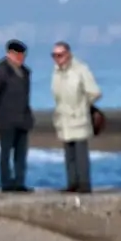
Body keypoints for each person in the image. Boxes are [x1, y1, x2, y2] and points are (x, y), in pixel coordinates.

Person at [50, 41, 102, 193]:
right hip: (63, 118)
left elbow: (94, 92)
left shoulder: (80, 70)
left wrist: (82, 105)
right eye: (54, 55)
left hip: (79, 118)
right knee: (69, 154)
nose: (57, 58)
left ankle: (84, 184)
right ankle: (72, 183)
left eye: (60, 55)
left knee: (81, 153)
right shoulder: (56, 73)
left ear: (68, 55)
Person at [0, 40, 34, 192]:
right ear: (10, 54)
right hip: (6, 119)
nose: (21, 58)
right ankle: (6, 182)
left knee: (21, 154)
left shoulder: (25, 72)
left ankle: (19, 182)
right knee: (5, 153)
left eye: (22, 55)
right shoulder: (1, 71)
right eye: (18, 55)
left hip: (23, 119)